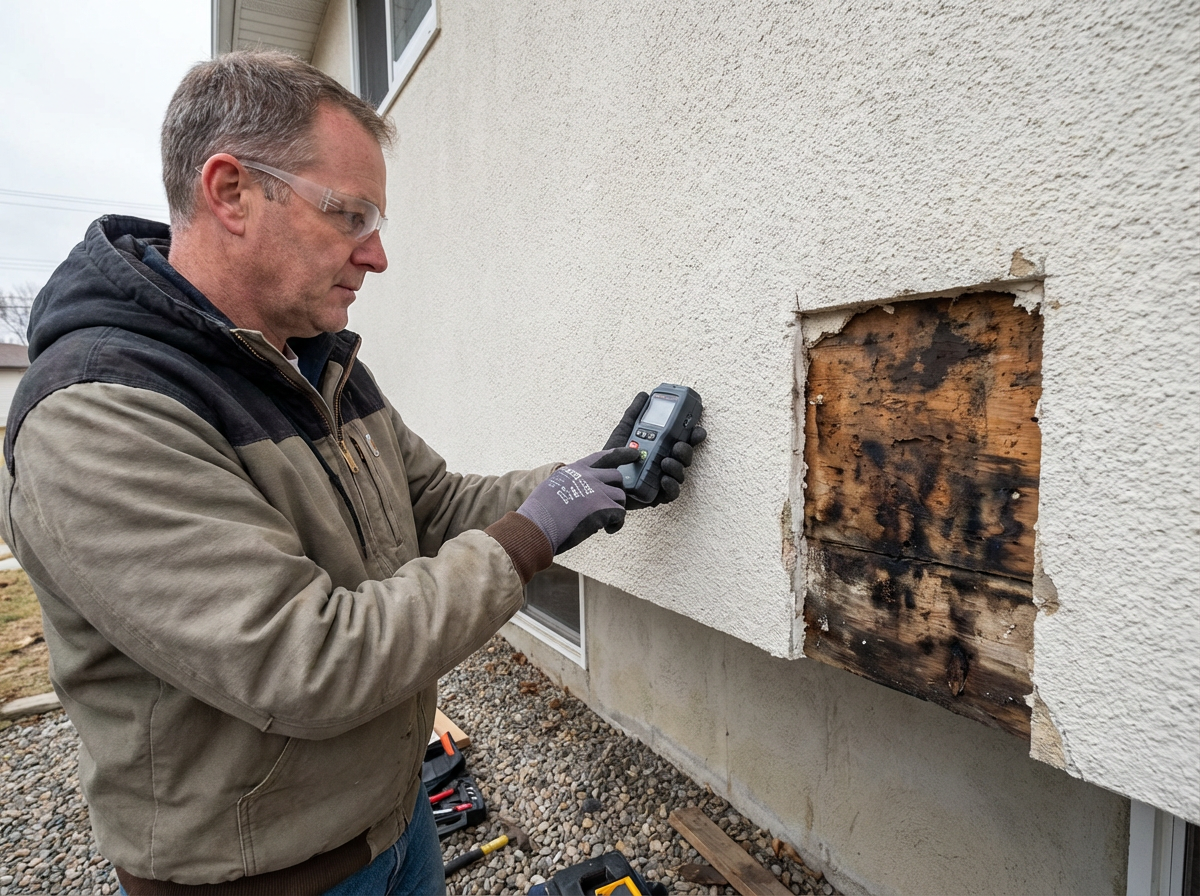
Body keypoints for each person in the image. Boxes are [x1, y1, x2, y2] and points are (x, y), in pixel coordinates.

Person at [0, 50, 704, 896]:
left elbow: (435, 504)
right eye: (350, 215)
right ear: (230, 191)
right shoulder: (101, 414)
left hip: (397, 826)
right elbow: (309, 659)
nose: (376, 256)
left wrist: (586, 482)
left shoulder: (315, 361)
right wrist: (533, 534)